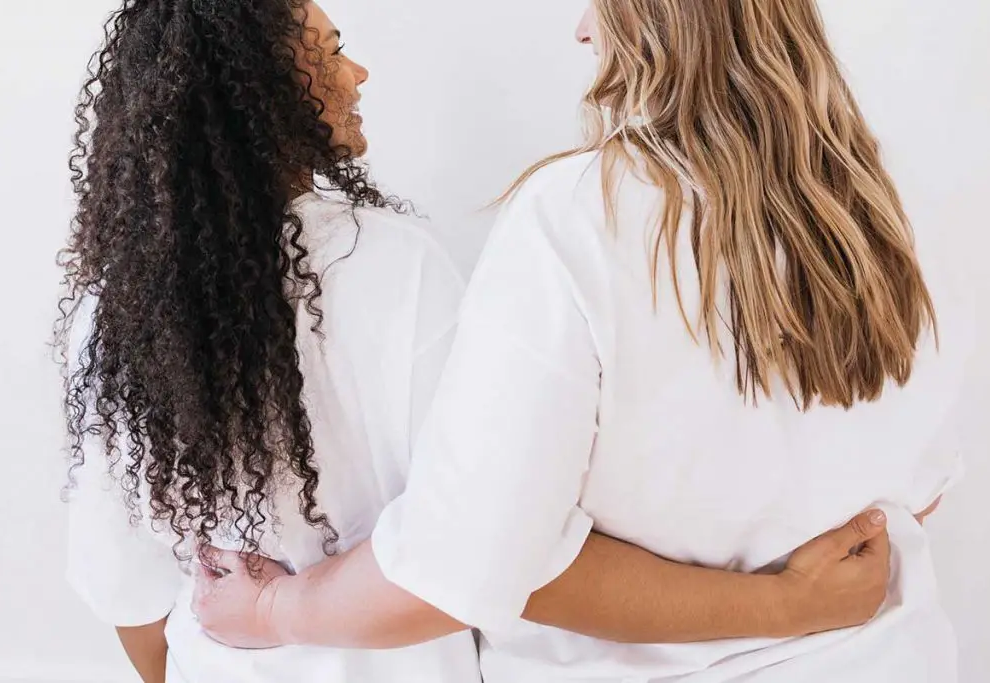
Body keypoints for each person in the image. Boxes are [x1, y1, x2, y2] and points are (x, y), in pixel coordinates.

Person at [61, 2, 898, 683]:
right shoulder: (392, 265)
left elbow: (126, 587)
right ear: (263, 90)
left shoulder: (111, 317)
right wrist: (789, 603)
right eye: (333, 50)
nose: (358, 73)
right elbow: (493, 552)